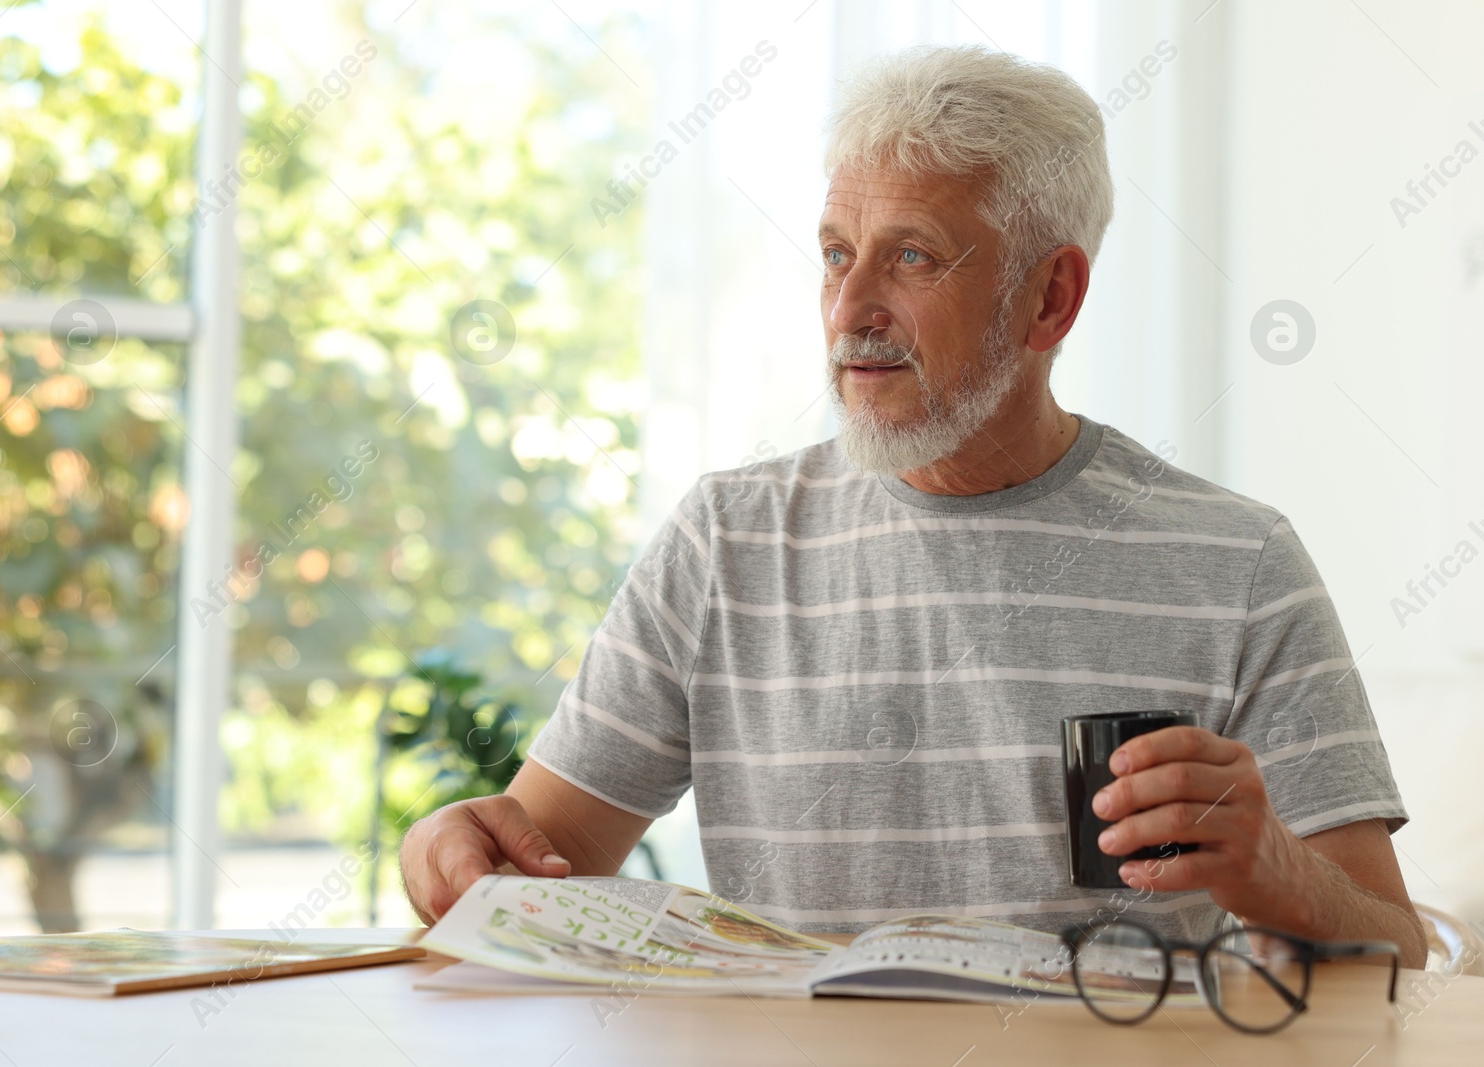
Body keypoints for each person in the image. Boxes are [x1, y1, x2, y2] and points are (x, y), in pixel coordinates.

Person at [401, 45, 1426, 966]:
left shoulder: (1237, 562)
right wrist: (454, 847)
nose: (849, 310)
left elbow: (1394, 947)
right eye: (838, 252)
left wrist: (1275, 869)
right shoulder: (725, 541)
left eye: (913, 255)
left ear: (1049, 298)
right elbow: (539, 858)